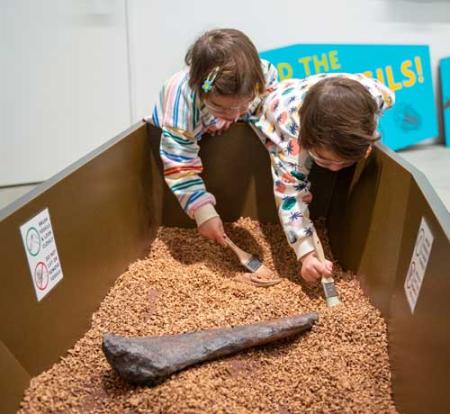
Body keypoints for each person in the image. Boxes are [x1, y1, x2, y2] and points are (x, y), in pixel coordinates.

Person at [251, 73, 395, 282]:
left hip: (333, 91)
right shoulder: (293, 142)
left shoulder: (378, 96)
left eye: (345, 162)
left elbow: (383, 102)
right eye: (324, 161)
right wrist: (307, 253)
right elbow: (290, 198)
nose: (335, 169)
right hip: (275, 102)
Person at [149, 28, 278, 246]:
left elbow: (269, 113)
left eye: (243, 104)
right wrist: (203, 212)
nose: (235, 114)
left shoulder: (263, 77)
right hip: (181, 135)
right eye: (220, 106)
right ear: (198, 88)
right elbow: (179, 160)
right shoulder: (181, 99)